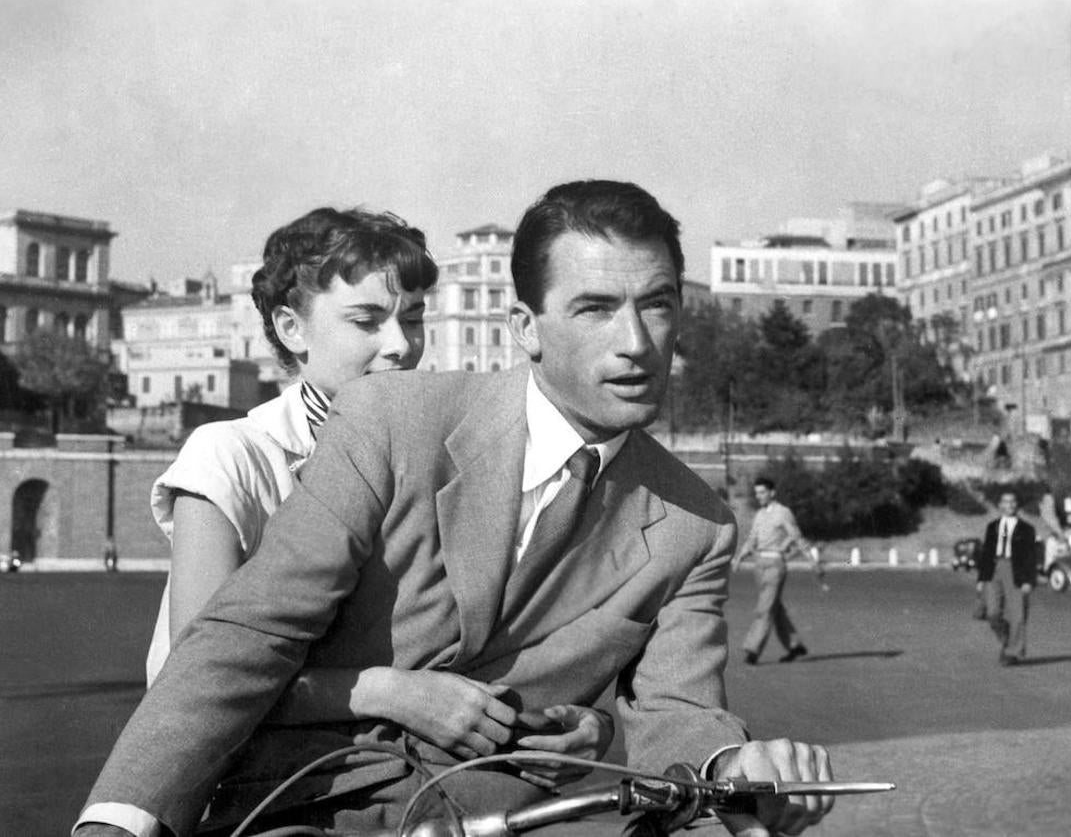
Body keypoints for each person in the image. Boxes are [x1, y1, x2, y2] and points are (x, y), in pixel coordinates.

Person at [77, 180, 834, 837]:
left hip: (496, 822)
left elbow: (678, 709)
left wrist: (734, 761)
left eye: (658, 306)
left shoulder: (697, 523)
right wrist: (120, 819)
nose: (635, 342)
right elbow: (245, 635)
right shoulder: (389, 420)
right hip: (300, 810)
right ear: (525, 330)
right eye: (596, 308)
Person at [144, 206, 610, 781]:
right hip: (256, 796)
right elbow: (195, 679)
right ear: (291, 328)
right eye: (366, 321)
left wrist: (571, 723)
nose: (400, 346)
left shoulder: (445, 453)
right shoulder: (232, 455)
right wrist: (392, 693)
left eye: (412, 320)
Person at [732, 477, 810, 665]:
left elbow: (796, 536)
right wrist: (740, 557)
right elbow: (752, 539)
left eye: (762, 492)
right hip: (759, 565)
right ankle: (794, 645)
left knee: (764, 608)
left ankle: (752, 650)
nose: (759, 496)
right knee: (774, 607)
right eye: (757, 493)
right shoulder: (759, 515)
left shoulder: (784, 513)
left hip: (775, 565)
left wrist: (813, 561)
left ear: (772, 492)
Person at [977, 490, 1038, 666]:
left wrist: (1029, 580)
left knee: (1018, 614)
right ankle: (1006, 636)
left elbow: (1031, 556)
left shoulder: (1027, 529)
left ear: (1017, 505)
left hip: (1016, 570)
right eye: (1006, 501)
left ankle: (1012, 652)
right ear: (1000, 505)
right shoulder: (992, 526)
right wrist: (981, 579)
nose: (1010, 505)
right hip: (994, 569)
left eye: (1013, 502)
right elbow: (986, 553)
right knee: (992, 612)